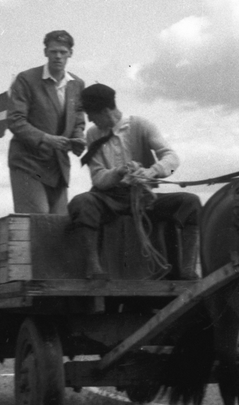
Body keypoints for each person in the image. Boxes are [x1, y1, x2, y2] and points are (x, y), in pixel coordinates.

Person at [67, 83, 200, 280]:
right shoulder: (93, 134)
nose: (90, 120)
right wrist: (118, 172)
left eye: (91, 114)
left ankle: (187, 271)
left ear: (105, 111)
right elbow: (98, 178)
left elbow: (172, 158)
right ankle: (94, 269)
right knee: (82, 202)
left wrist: (151, 172)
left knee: (191, 202)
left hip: (144, 198)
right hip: (109, 199)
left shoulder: (141, 125)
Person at [6, 29, 86, 214]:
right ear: (45, 52)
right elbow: (15, 120)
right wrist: (47, 139)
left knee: (60, 224)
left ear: (70, 53)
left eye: (63, 52)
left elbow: (78, 120)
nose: (58, 56)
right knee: (38, 221)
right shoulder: (26, 79)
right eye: (53, 51)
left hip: (58, 167)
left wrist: (78, 139)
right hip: (28, 164)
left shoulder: (77, 84)